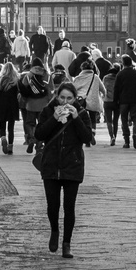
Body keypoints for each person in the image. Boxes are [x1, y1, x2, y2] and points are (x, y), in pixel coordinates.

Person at [35, 82, 96, 258]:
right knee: (52, 206)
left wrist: (76, 118)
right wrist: (54, 118)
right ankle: (54, 229)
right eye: (62, 97)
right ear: (56, 96)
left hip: (72, 164)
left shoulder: (82, 113)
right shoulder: (48, 110)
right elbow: (39, 134)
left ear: (75, 98)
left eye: (69, 98)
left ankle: (66, 243)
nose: (65, 101)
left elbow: (87, 137)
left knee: (69, 207)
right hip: (51, 165)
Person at [17, 59, 52, 154]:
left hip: (30, 104)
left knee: (29, 123)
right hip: (43, 104)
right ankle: (39, 143)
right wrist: (50, 102)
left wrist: (25, 101)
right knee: (42, 124)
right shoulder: (47, 75)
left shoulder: (28, 75)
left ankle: (32, 139)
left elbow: (23, 90)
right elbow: (50, 90)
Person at [0, 60, 21, 154]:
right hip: (12, 106)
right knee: (11, 128)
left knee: (2, 126)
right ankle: (10, 147)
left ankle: (3, 138)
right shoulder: (16, 80)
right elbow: (20, 92)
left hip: (1, 106)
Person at [113, 55, 136, 149]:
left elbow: (116, 89)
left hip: (123, 100)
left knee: (124, 120)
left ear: (123, 63)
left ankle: (127, 141)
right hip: (135, 100)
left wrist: (115, 101)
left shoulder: (120, 74)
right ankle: (135, 133)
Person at [71, 57, 106, 131]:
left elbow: (73, 90)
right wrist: (103, 96)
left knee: (82, 118)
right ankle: (92, 132)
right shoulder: (95, 77)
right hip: (92, 101)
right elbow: (103, 89)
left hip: (81, 101)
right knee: (93, 119)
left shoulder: (78, 78)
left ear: (82, 69)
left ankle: (84, 132)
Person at [99, 58, 119, 145]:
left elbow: (103, 89)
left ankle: (112, 137)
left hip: (107, 101)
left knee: (109, 121)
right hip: (117, 101)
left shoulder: (105, 78)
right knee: (116, 120)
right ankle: (115, 135)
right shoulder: (119, 78)